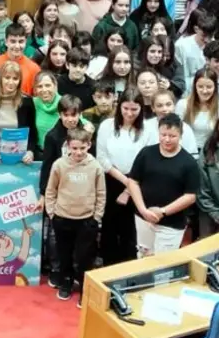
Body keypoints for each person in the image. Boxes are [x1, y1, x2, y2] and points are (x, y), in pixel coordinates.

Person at [45, 126, 105, 302]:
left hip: (86, 220)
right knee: (64, 254)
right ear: (68, 146)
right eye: (74, 148)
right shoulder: (59, 165)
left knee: (84, 257)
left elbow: (101, 193)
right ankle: (66, 282)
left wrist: (97, 217)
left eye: (82, 148)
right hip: (62, 218)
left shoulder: (95, 167)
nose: (78, 152)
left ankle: (84, 286)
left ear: (89, 145)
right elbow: (51, 190)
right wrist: (52, 213)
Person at [126, 113, 200, 257]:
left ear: (180, 135)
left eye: (172, 136)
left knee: (163, 263)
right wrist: (142, 209)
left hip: (171, 223)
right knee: (143, 256)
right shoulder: (146, 153)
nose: (167, 139)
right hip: (143, 217)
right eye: (163, 134)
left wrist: (163, 211)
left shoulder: (189, 163)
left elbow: (190, 196)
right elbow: (133, 181)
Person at [96, 86, 147, 266]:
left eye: (134, 109)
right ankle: (108, 265)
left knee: (131, 229)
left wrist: (130, 188)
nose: (129, 113)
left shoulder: (147, 129)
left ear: (141, 109)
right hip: (111, 179)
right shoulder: (106, 126)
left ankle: (129, 267)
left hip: (139, 183)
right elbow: (101, 158)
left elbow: (146, 160)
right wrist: (125, 181)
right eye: (126, 108)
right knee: (109, 226)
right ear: (119, 106)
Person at [0, 61, 39, 165]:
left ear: (19, 81)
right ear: (0, 78)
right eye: (7, 77)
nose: (11, 82)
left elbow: (32, 132)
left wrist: (30, 151)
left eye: (15, 79)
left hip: (20, 155)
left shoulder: (27, 101)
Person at [0, 23, 39, 96]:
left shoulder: (34, 68)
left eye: (21, 41)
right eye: (13, 41)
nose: (17, 46)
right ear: (6, 42)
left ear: (25, 42)